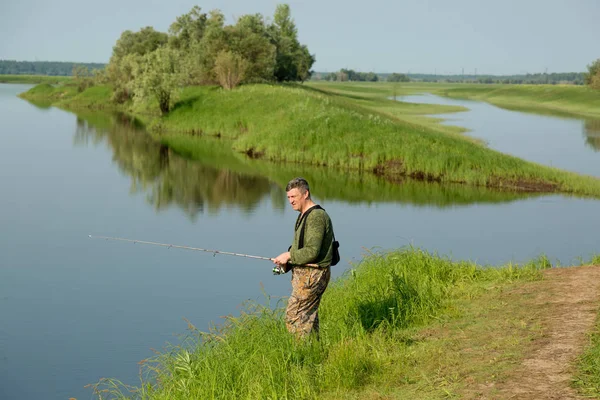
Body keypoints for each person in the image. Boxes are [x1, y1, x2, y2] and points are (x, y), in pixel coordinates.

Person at [273, 177, 335, 337]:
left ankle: (301, 357)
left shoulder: (316, 217)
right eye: (288, 197)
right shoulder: (303, 215)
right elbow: (301, 247)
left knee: (294, 317)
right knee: (308, 319)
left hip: (313, 276)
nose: (290, 201)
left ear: (305, 193)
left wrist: (288, 255)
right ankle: (316, 354)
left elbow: (312, 251)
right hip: (304, 276)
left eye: (294, 196)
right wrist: (284, 264)